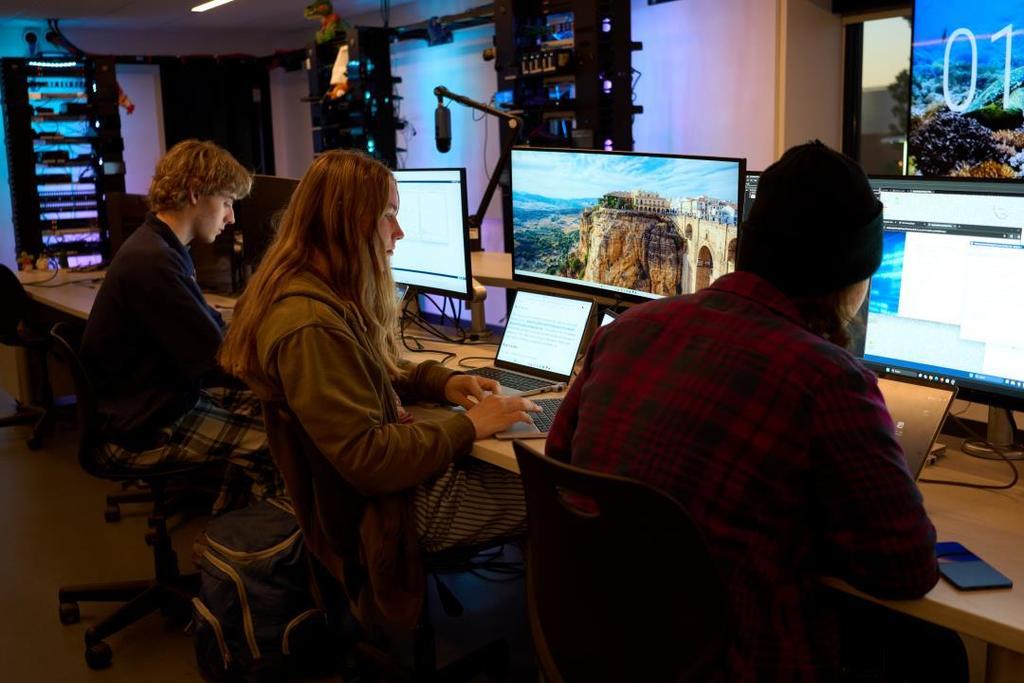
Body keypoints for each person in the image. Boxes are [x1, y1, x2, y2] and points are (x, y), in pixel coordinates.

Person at [546, 141, 946, 681]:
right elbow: (905, 568)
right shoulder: (828, 381)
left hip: (602, 647)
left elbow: (560, 464)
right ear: (849, 274)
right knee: (936, 652)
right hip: (741, 663)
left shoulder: (626, 332)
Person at [218, 149, 538, 628]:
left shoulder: (313, 294)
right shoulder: (310, 326)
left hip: (374, 499)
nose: (399, 233)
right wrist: (468, 426)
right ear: (349, 221)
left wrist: (443, 382)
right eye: (390, 215)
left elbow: (368, 372)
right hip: (391, 514)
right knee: (554, 494)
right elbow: (370, 460)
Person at [82, 139, 280, 508]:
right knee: (283, 445)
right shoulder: (153, 262)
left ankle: (232, 521)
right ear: (194, 195)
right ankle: (252, 553)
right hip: (144, 426)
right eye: (226, 203)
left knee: (270, 408)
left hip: (151, 401)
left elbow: (208, 330)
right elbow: (218, 361)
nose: (231, 217)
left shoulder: (162, 248)